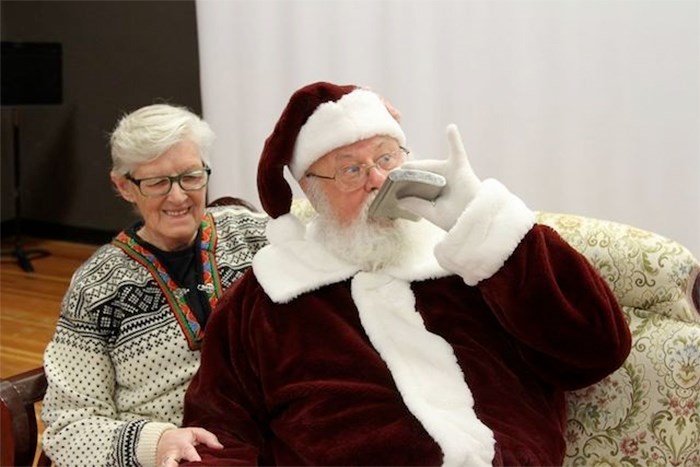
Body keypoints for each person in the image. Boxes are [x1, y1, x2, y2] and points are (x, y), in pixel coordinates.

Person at [182, 82, 632, 466]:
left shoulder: (475, 255)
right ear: (311, 190)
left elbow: (596, 350)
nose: (378, 180)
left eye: (386, 158)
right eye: (351, 170)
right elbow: (221, 432)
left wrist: (485, 221)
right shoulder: (269, 298)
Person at [40, 103, 269, 467]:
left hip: (269, 438)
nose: (178, 197)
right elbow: (69, 428)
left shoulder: (255, 238)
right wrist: (157, 442)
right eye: (157, 182)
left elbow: (341, 232)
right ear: (124, 186)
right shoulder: (96, 287)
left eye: (191, 177)